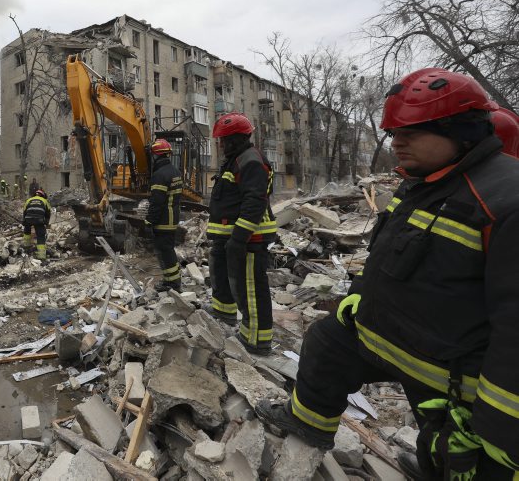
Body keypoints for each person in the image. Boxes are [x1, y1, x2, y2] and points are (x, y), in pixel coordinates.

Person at [256, 69, 519, 480]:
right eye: (394, 132)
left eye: (410, 132)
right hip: (396, 338)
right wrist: (361, 296)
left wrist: (500, 426)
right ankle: (307, 423)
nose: (396, 142)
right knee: (327, 341)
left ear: (461, 131)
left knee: (460, 456)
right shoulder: (423, 183)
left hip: (450, 371)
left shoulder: (504, 199)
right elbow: (386, 254)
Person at [206, 112, 277, 354]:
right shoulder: (237, 159)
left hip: (249, 238)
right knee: (227, 277)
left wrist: (239, 238)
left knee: (251, 288)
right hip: (233, 236)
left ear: (235, 139)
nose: (220, 145)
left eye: (223, 140)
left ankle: (256, 341)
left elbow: (254, 201)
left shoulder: (251, 161)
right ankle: (224, 312)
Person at [146, 138, 184, 292]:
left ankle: (173, 283)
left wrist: (149, 221)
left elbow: (157, 202)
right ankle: (171, 281)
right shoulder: (175, 172)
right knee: (168, 250)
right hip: (172, 219)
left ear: (155, 156)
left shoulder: (159, 175)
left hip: (163, 221)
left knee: (165, 252)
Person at [22, 188, 52, 260]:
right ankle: (41, 256)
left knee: (27, 231)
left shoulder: (29, 200)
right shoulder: (45, 201)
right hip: (39, 220)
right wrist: (46, 222)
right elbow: (48, 213)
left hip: (28, 218)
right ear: (43, 195)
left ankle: (26, 248)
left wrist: (24, 221)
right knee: (41, 235)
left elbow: (24, 211)